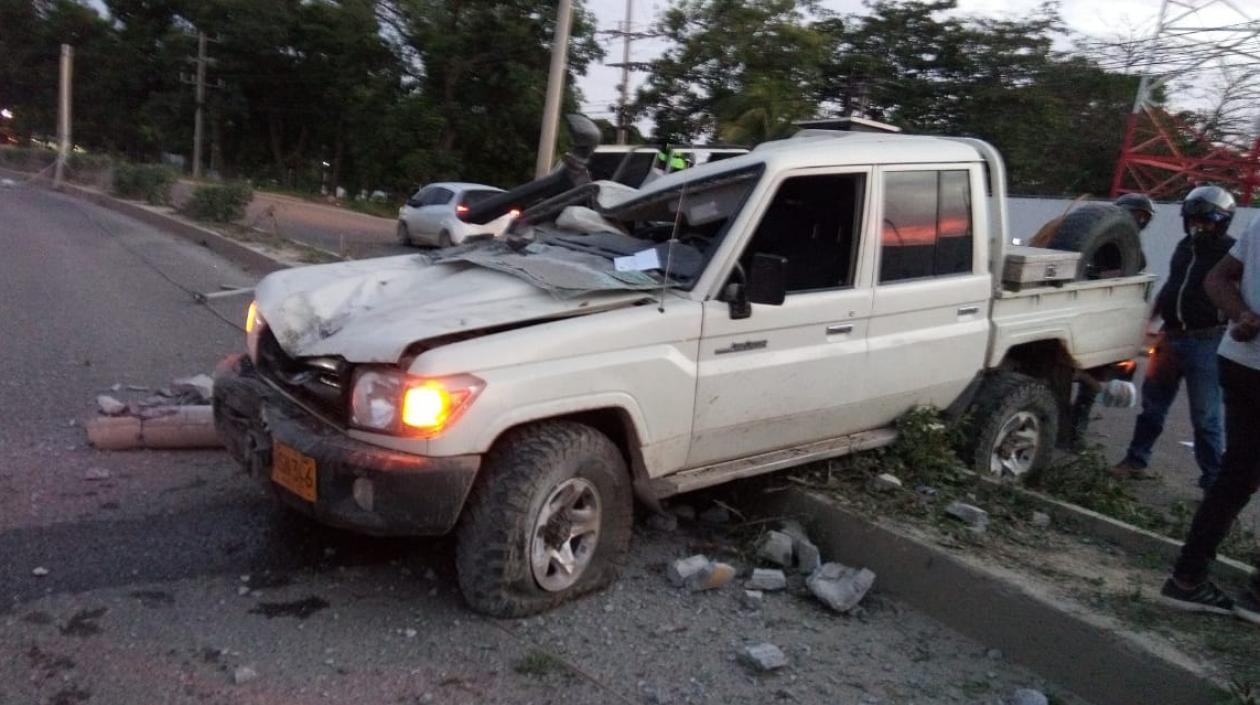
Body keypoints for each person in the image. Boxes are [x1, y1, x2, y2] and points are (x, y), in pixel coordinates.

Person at [1158, 205, 1260, 622]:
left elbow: (1216, 278)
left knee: (1235, 477)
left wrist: (1242, 315)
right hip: (1247, 363)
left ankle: (1187, 578)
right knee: (1237, 476)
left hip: (1240, 360)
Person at [1112, 186, 1237, 489]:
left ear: (1221, 222)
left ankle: (1213, 480)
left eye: (1205, 221)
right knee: (1152, 406)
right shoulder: (1184, 247)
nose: (1198, 226)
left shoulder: (1230, 252)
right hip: (1171, 337)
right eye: (1193, 220)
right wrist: (1149, 319)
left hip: (1207, 340)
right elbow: (1172, 285)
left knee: (1206, 416)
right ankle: (1136, 460)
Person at [1061, 193, 1156, 446]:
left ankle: (1072, 432)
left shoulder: (1134, 252)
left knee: (1091, 383)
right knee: (1065, 375)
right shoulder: (1096, 241)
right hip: (1082, 313)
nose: (1138, 221)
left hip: (1105, 320)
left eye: (1143, 218)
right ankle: (1063, 428)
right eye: (1136, 215)